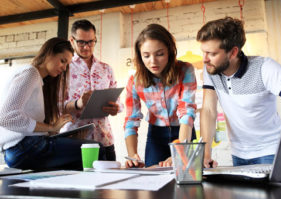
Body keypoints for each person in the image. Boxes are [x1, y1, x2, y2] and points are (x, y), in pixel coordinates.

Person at [196, 17, 281, 168]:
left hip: (271, 152)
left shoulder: (265, 68)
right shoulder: (211, 69)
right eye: (204, 52)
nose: (205, 59)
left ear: (233, 52)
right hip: (238, 154)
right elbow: (209, 110)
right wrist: (206, 152)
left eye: (212, 53)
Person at [0, 37, 104, 170]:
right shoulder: (30, 73)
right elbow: (6, 117)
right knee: (95, 149)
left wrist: (53, 132)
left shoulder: (37, 79)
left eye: (67, 65)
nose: (64, 68)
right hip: (23, 147)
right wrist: (51, 127)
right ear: (49, 53)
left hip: (21, 150)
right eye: (62, 61)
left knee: (76, 162)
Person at [124, 23, 197, 168]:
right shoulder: (134, 81)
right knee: (152, 180)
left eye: (160, 54)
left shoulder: (185, 70)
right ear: (140, 56)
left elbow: (186, 111)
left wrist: (180, 150)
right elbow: (131, 120)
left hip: (183, 131)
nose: (153, 61)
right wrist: (132, 155)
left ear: (169, 51)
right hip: (156, 136)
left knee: (187, 178)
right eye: (146, 56)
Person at [63, 19, 122, 161]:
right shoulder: (64, 68)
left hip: (104, 139)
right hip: (74, 141)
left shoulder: (106, 69)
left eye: (91, 42)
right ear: (72, 40)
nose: (86, 47)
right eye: (81, 42)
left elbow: (118, 101)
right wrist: (77, 103)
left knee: (109, 183)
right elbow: (56, 106)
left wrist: (116, 108)